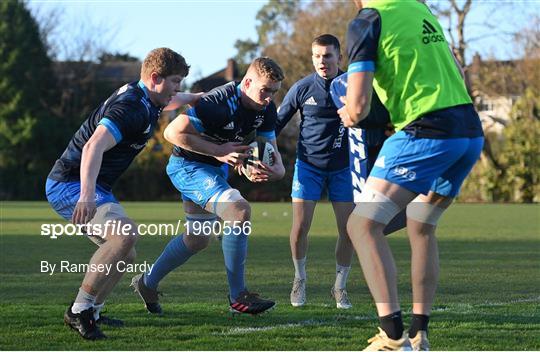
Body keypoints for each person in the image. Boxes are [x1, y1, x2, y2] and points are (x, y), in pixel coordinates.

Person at [339, 1, 484, 350]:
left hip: (427, 130)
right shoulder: (419, 8)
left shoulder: (367, 21)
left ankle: (392, 338)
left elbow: (358, 108)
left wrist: (347, 112)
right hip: (468, 132)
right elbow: (458, 73)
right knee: (420, 224)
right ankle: (420, 335)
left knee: (362, 225)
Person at [45, 47, 196, 340]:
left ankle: (94, 309)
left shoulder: (147, 97)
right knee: (124, 234)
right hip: (70, 183)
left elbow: (171, 101)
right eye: (176, 81)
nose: (178, 89)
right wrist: (86, 196)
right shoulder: (131, 107)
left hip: (91, 185)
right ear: (155, 78)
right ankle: (79, 310)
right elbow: (93, 146)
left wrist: (196, 98)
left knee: (126, 251)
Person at [131, 57, 286, 315]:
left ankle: (147, 283)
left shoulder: (266, 109)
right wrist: (219, 151)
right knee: (239, 211)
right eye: (265, 90)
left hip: (212, 171)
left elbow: (274, 158)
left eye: (274, 91)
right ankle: (238, 297)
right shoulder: (219, 102)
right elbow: (171, 133)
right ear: (247, 82)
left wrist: (270, 170)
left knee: (198, 239)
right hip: (187, 167)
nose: (269, 97)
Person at [275, 34, 355, 309]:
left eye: (328, 55)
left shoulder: (353, 86)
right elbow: (276, 123)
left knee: (349, 230)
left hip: (344, 169)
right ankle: (299, 279)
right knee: (300, 228)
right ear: (312, 58)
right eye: (317, 56)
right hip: (308, 166)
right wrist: (262, 151)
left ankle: (340, 287)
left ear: (339, 57)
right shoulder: (302, 88)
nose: (323, 61)